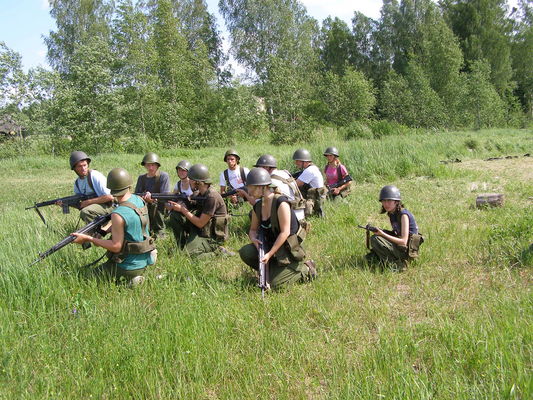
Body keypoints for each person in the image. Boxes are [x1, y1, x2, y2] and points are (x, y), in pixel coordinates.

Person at [72, 168, 156, 286]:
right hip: (145, 258)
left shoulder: (118, 214)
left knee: (86, 278)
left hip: (127, 265)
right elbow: (129, 223)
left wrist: (88, 239)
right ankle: (134, 277)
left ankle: (129, 280)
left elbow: (116, 247)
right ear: (129, 185)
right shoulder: (139, 200)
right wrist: (104, 230)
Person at [239, 168, 317, 290]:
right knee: (246, 252)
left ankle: (306, 268)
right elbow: (253, 230)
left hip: (287, 252)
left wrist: (269, 254)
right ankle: (273, 270)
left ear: (262, 187)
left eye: (251, 188)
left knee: (276, 285)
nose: (249, 192)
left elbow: (285, 232)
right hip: (271, 248)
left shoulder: (281, 203)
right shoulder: (258, 206)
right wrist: (254, 239)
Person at [166, 164, 230, 258]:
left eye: (190, 179)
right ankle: (182, 245)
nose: (188, 181)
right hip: (202, 230)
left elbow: (200, 223)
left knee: (190, 255)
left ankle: (218, 252)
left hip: (212, 236)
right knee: (175, 216)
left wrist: (183, 210)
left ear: (198, 182)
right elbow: (189, 203)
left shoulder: (212, 197)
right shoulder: (199, 193)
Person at [365, 185, 423, 271]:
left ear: (396, 202)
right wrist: (382, 232)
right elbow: (397, 233)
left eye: (389, 201)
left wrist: (383, 234)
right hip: (400, 248)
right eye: (383, 201)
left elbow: (403, 241)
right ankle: (386, 261)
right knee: (374, 242)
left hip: (406, 251)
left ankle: (398, 265)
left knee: (377, 239)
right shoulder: (392, 213)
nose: (386, 204)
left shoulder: (403, 215)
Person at [254, 154, 306, 221]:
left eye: (259, 168)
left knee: (256, 210)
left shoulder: (270, 182)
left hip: (291, 219)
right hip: (300, 215)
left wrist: (246, 194)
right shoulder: (285, 173)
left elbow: (260, 203)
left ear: (266, 167)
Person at [67, 151, 114, 223]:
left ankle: (97, 233)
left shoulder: (94, 176)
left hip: (110, 206)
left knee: (86, 211)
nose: (83, 168)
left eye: (85, 165)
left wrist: (88, 202)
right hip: (99, 207)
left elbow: (110, 197)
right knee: (85, 210)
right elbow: (80, 205)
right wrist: (67, 204)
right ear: (74, 168)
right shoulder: (77, 183)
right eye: (80, 166)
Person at [135, 152, 171, 238]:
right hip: (144, 205)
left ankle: (159, 230)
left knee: (157, 205)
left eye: (153, 165)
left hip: (159, 206)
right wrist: (145, 198)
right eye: (148, 165)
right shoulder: (141, 178)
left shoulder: (163, 176)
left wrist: (152, 199)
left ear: (157, 165)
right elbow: (136, 195)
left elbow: (165, 196)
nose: (150, 168)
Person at [292, 149, 327, 217]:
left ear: (304, 161)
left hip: (315, 198)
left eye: (297, 161)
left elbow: (296, 185)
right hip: (316, 196)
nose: (296, 163)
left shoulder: (309, 170)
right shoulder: (312, 168)